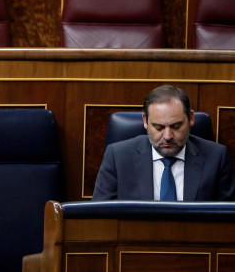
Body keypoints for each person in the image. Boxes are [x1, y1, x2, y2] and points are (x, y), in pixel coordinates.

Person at [92, 85, 235, 201]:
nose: (167, 136)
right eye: (159, 127)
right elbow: (99, 217)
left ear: (191, 118)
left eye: (176, 126)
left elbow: (228, 219)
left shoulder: (217, 157)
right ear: (145, 121)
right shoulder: (118, 157)